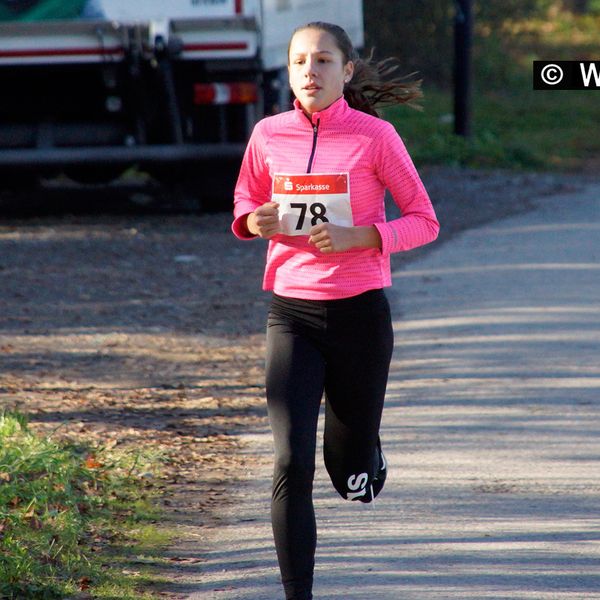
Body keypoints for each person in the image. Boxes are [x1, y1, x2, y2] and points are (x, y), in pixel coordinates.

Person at [231, 21, 439, 600]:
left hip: (360, 318)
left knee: (346, 473)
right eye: (299, 61)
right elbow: (245, 201)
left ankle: (363, 454)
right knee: (289, 461)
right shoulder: (268, 134)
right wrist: (253, 221)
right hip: (291, 315)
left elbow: (425, 219)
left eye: (323, 61)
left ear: (346, 72)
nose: (309, 72)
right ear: (288, 70)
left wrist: (363, 238)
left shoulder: (375, 137)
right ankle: (299, 593)